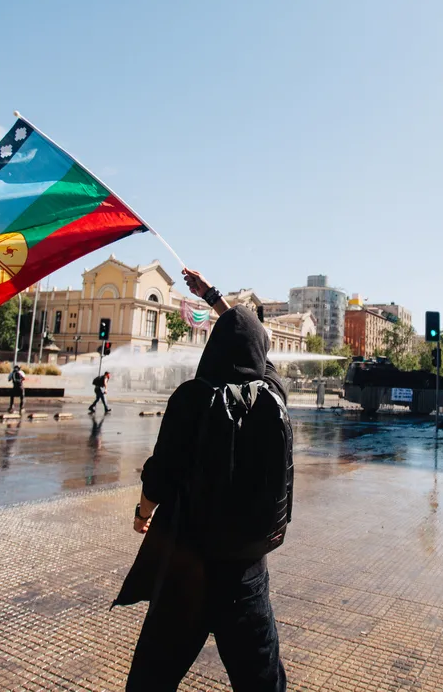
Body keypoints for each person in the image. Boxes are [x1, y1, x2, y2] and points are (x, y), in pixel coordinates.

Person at [114, 275, 288, 692]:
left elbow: (159, 474)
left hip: (186, 569)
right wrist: (215, 300)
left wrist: (143, 515)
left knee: (150, 681)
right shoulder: (274, 394)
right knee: (263, 683)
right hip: (245, 573)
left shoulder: (192, 397)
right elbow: (250, 339)